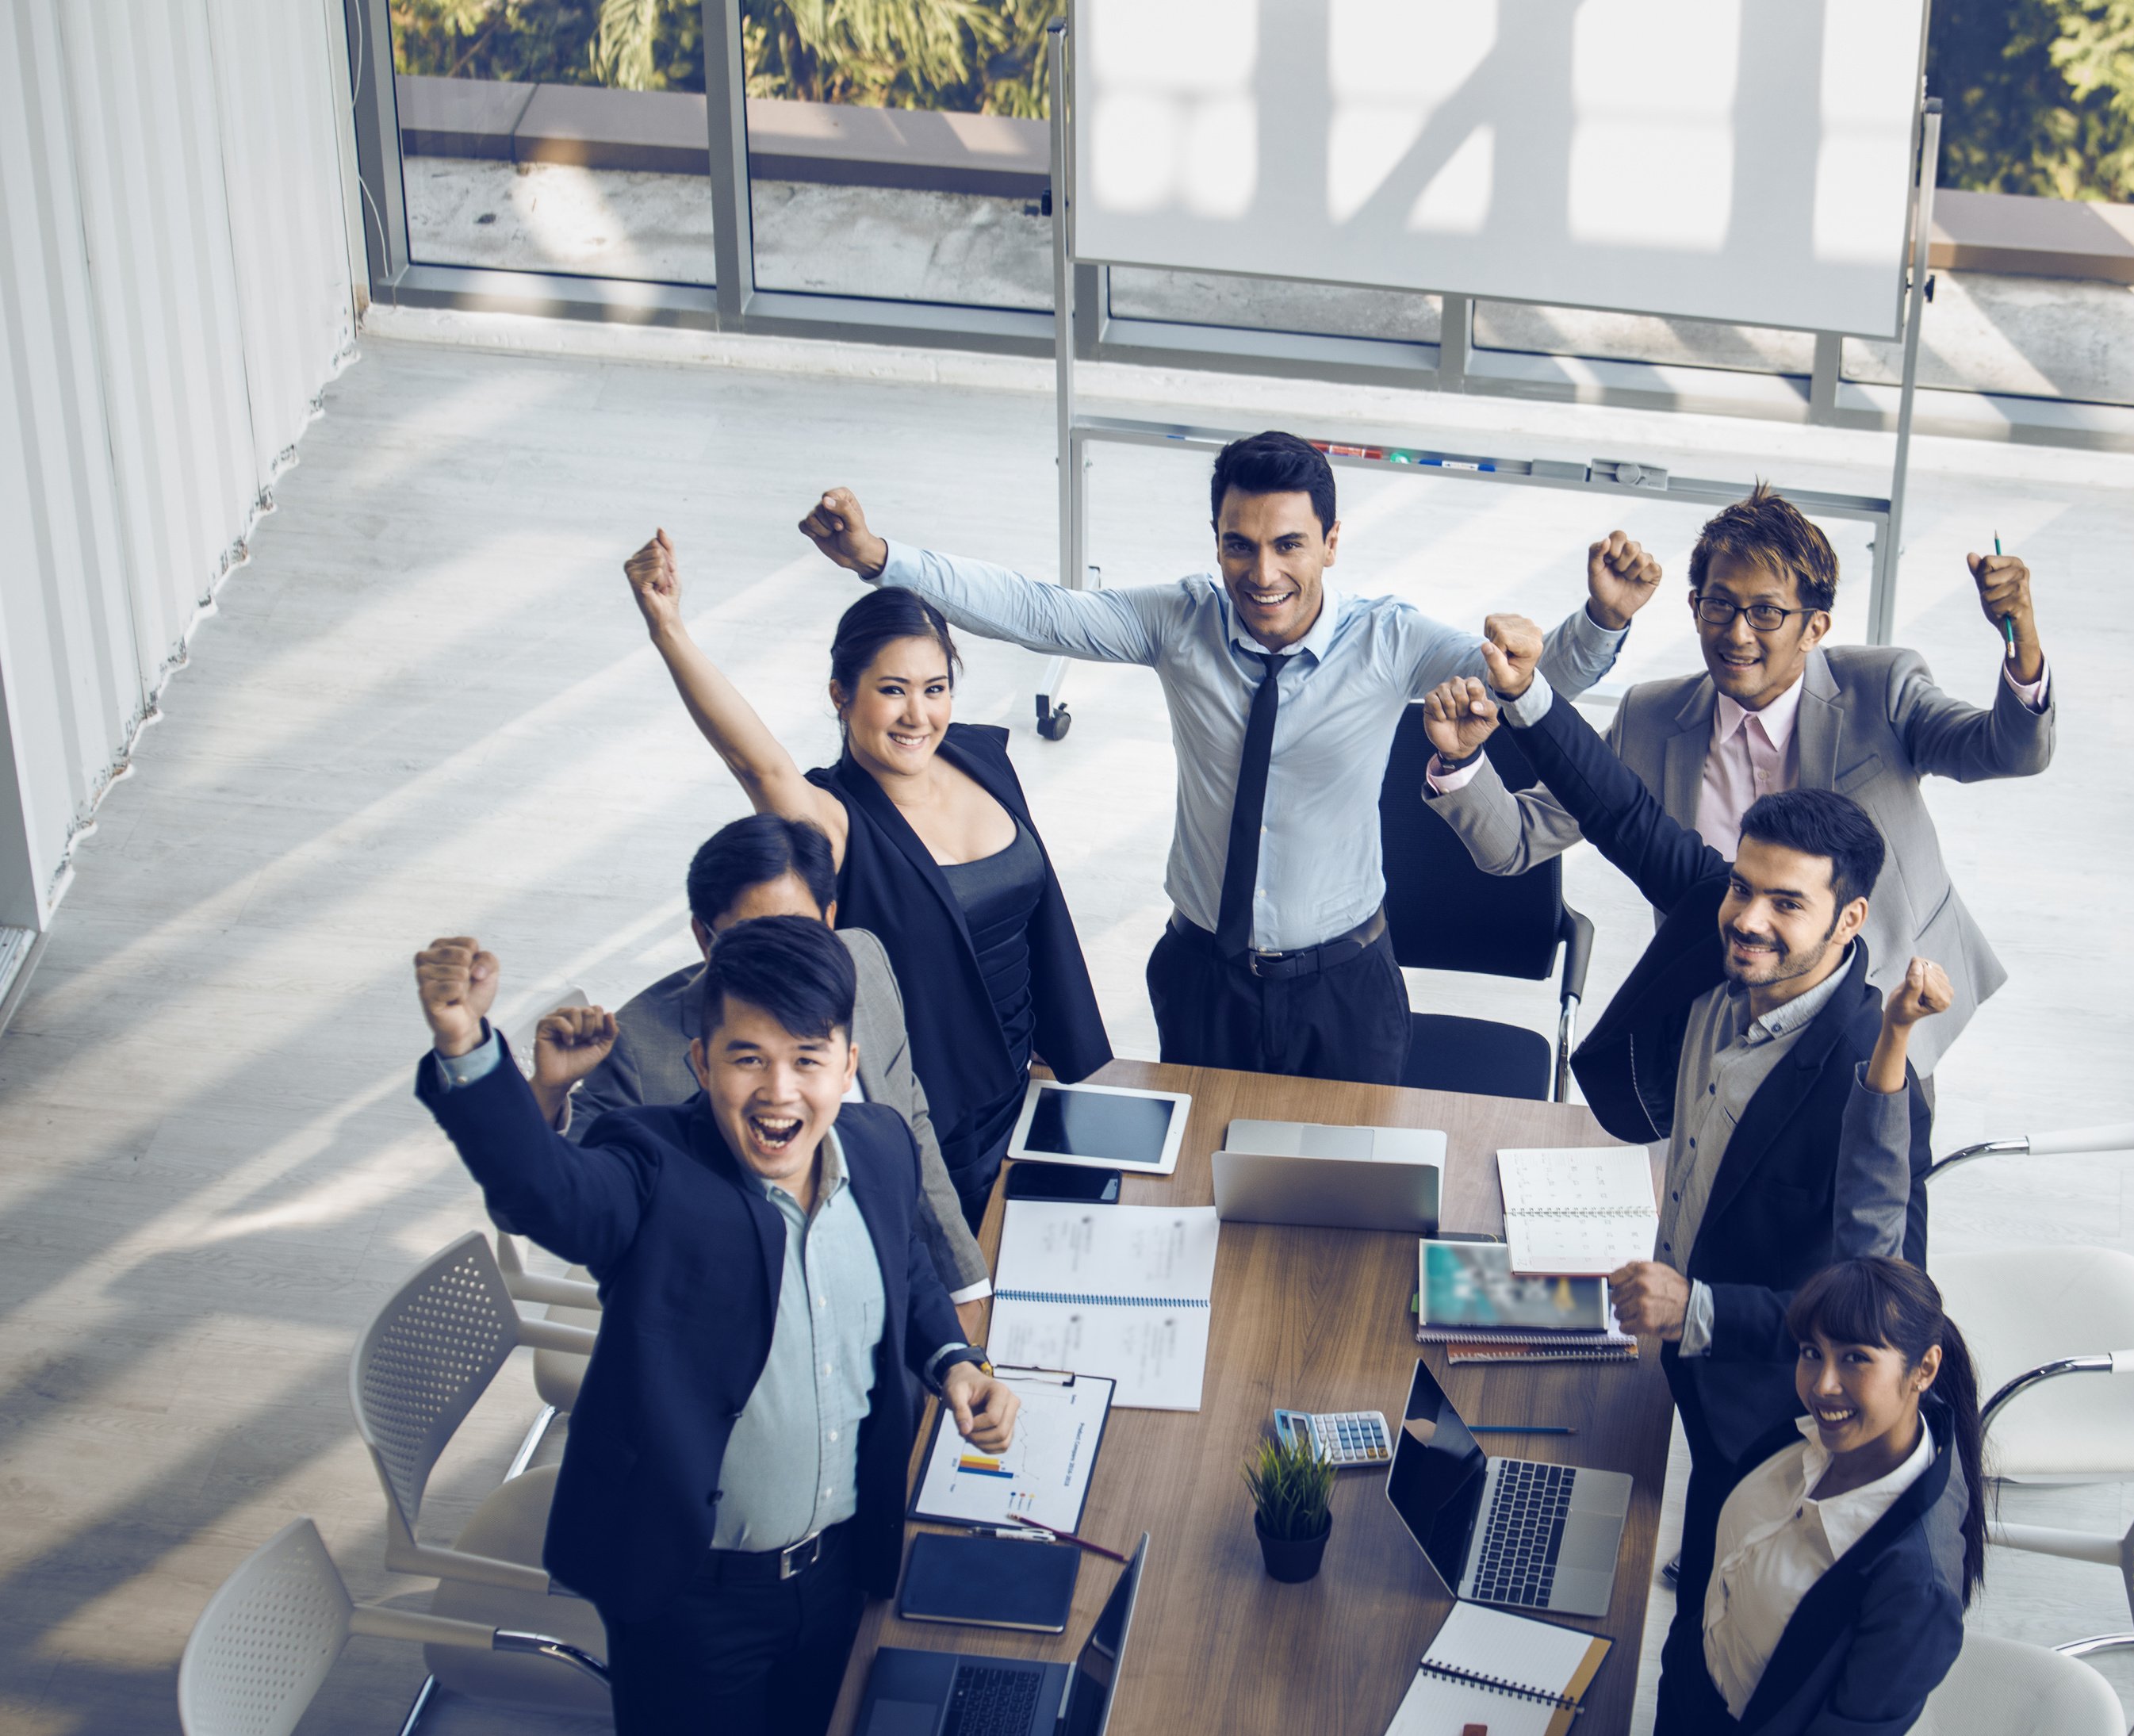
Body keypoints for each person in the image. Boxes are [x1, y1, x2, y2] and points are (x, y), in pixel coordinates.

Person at [791, 430, 1665, 1086]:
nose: (1262, 571)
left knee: (1353, 1226)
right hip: (1203, 973)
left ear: (1329, 541)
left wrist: (1601, 622)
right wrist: (879, 558)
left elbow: (1527, 684)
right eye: (1238, 543)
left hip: (1344, 984)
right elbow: (1040, 610)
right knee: (1203, 1207)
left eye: (1288, 544)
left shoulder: (1387, 641)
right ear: (1215, 541)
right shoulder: (1181, 620)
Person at [411, 917, 1022, 1736]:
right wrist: (468, 1047)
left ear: (847, 1065)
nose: (778, 1089)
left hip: (845, 1568)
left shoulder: (878, 1148)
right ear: (701, 1063)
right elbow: (545, 1192)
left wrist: (952, 1355)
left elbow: (901, 1257)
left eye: (807, 1057)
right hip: (692, 1600)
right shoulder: (654, 1166)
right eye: (747, 1057)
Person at [1423, 650, 1940, 1606]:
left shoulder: (1873, 1075)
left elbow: (1882, 1302)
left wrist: (1696, 1308)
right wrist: (1523, 696)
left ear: (1850, 917)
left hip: (1763, 1394)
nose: (1746, 918)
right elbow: (1618, 807)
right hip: (1664, 1334)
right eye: (1745, 887)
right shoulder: (1718, 921)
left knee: (1718, 1580)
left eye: (1788, 903)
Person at [1423, 482, 2052, 1079]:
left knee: (1869, 1182)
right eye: (1719, 604)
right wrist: (1461, 762)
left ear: (1815, 627)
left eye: (1767, 612)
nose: (1737, 632)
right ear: (1695, 607)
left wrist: (2020, 636)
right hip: (1722, 1023)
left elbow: (2004, 751)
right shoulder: (1650, 718)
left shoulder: (1881, 690)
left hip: (1876, 1010)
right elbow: (1514, 842)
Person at [623, 535, 1112, 1226]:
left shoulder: (981, 757)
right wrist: (668, 627)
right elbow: (755, 763)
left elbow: (1026, 927)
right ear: (840, 696)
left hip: (1029, 1087)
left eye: (934, 688)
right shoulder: (836, 818)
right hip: (936, 1120)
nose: (918, 715)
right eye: (892, 690)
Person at [527, 813, 990, 1332]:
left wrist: (963, 1285)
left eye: (798, 930)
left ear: (830, 917)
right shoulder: (640, 1046)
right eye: (752, 938)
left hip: (896, 1290)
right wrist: (547, 1091)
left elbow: (912, 1123)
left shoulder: (867, 961)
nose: (780, 964)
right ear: (705, 938)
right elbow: (562, 1193)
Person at [1664, 1256, 1985, 1735]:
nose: (1821, 1385)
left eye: (1856, 1357)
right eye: (1812, 1351)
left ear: (1924, 1369)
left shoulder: (1919, 1587)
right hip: (1693, 1673)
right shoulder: (1815, 1432)